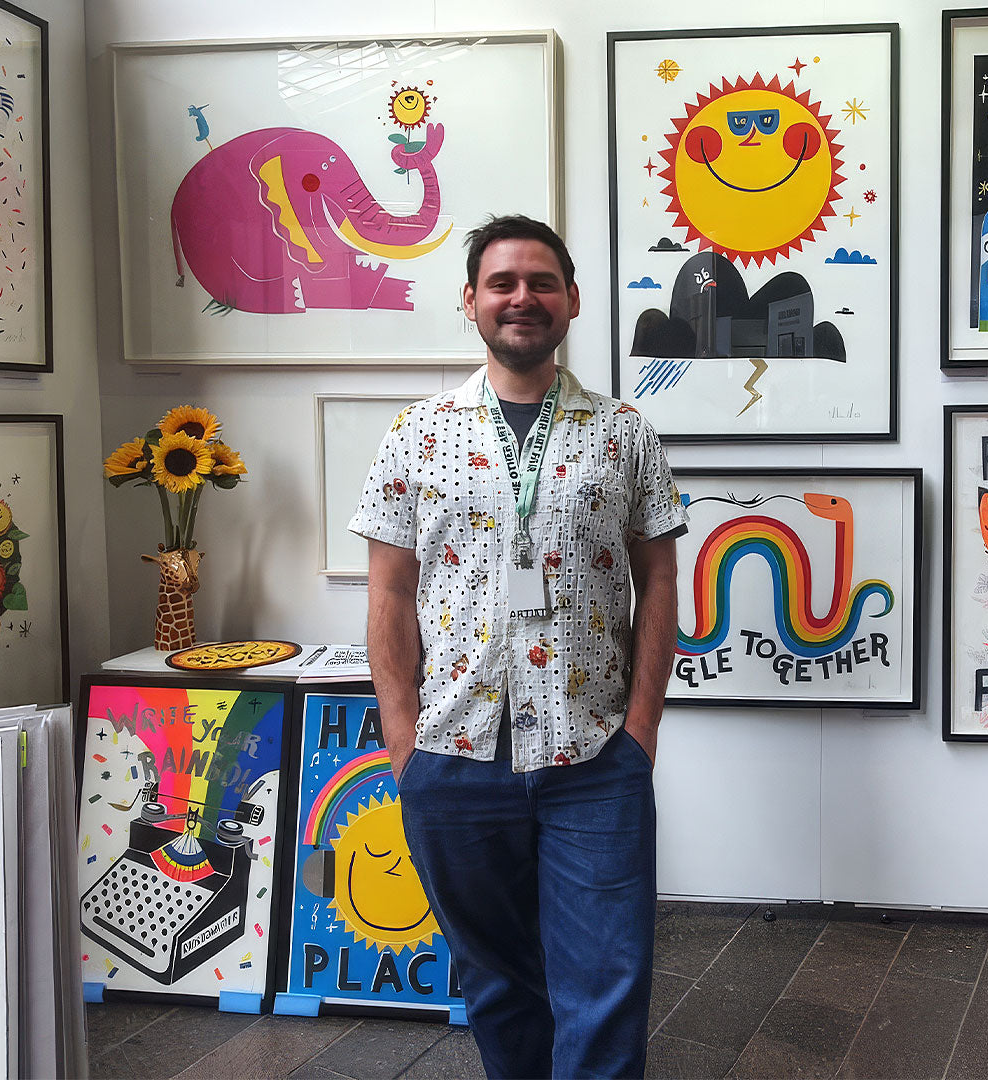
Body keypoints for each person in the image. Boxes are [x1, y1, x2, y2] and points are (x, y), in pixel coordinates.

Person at [350, 214, 688, 1079]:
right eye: (502, 283)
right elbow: (388, 595)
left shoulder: (626, 431)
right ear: (470, 301)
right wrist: (401, 743)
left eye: (542, 282)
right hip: (453, 757)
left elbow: (659, 584)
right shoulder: (415, 434)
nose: (522, 298)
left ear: (572, 300)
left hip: (593, 756)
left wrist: (640, 733)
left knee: (607, 982)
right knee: (498, 984)